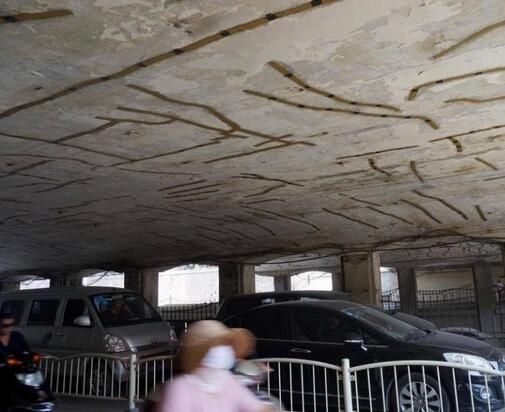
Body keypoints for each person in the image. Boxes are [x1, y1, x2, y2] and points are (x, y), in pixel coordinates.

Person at [157, 320, 275, 412]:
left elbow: (257, 408)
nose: (225, 350)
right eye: (218, 345)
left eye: (225, 345)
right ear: (199, 352)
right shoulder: (180, 389)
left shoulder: (227, 382)